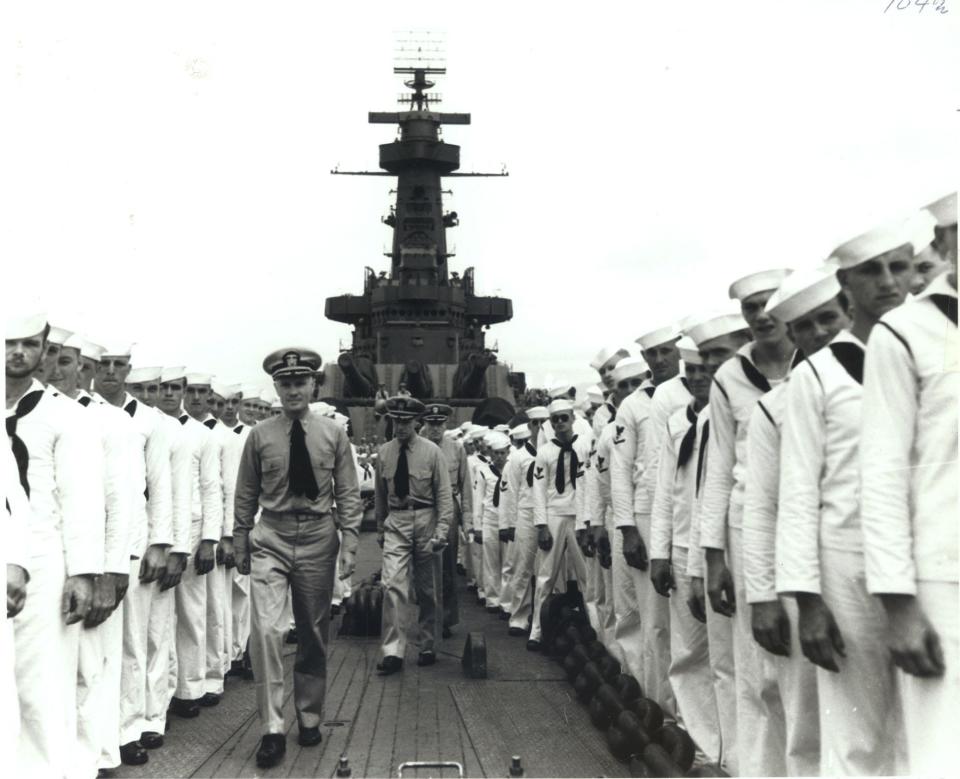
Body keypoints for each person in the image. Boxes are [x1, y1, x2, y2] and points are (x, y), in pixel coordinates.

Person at [779, 220, 917, 775]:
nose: (888, 284)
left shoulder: (932, 353)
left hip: (929, 563)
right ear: (850, 290)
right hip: (850, 567)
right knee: (857, 730)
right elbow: (795, 492)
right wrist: (807, 600)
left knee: (929, 723)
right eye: (870, 273)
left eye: (899, 268)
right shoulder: (819, 375)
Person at [859, 208, 957, 776]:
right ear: (943, 241)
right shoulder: (906, 331)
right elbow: (882, 470)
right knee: (943, 752)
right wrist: (897, 602)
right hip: (945, 577)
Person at [743, 266, 852, 776]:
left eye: (828, 319)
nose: (820, 334)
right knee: (807, 722)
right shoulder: (774, 408)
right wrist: (765, 596)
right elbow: (763, 506)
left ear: (848, 314)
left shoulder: (896, 375)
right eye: (804, 327)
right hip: (813, 579)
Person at [234, 347, 361, 769]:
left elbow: (346, 492)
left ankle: (309, 715)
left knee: (312, 631)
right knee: (267, 632)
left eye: (300, 382)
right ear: (276, 386)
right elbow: (246, 492)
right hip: (271, 535)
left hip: (317, 538)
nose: (292, 390)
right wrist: (239, 539)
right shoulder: (259, 435)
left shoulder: (333, 434)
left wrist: (351, 544)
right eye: (285, 383)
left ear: (313, 385)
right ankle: (272, 727)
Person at [6, 310, 105, 777]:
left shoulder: (66, 416)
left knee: (41, 684)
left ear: (44, 351)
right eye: (8, 343)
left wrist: (83, 573)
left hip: (46, 557)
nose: (17, 353)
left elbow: (82, 499)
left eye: (28, 344)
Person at [51, 332, 136, 778]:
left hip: (94, 561)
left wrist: (111, 571)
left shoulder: (108, 421)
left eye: (66, 361)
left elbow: (121, 501)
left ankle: (95, 760)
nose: (56, 369)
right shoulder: (27, 414)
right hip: (46, 561)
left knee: (92, 667)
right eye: (51, 358)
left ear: (84, 368)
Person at [93, 342, 175, 767]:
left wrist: (161, 544)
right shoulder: (84, 410)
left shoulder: (149, 422)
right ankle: (100, 732)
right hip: (92, 541)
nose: (109, 372)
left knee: (134, 642)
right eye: (102, 364)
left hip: (136, 542)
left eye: (117, 365)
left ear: (127, 368)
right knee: (96, 648)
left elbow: (160, 487)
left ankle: (132, 727)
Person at [375, 396, 453, 674]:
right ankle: (393, 651)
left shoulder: (432, 453)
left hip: (426, 519)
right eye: (396, 420)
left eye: (406, 421)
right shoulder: (384, 453)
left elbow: (444, 496)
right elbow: (381, 495)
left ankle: (428, 644)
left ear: (416, 422)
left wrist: (442, 530)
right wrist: (381, 528)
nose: (400, 426)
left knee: (427, 588)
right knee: (392, 585)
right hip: (396, 520)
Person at [528, 398, 593, 651]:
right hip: (554, 515)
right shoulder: (545, 453)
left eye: (564, 418)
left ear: (573, 419)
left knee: (587, 575)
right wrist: (541, 525)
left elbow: (590, 486)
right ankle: (536, 631)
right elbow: (538, 491)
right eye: (554, 419)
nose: (559, 423)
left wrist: (588, 521)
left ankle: (594, 630)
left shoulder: (586, 446)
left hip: (578, 515)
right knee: (545, 576)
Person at [419, 402, 473, 638]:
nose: (435, 429)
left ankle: (446, 619)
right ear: (424, 424)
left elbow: (465, 486)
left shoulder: (456, 449)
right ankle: (428, 618)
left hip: (448, 509)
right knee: (423, 566)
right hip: (424, 507)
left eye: (439, 424)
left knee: (448, 566)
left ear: (446, 424)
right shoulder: (416, 447)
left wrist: (468, 521)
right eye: (431, 424)